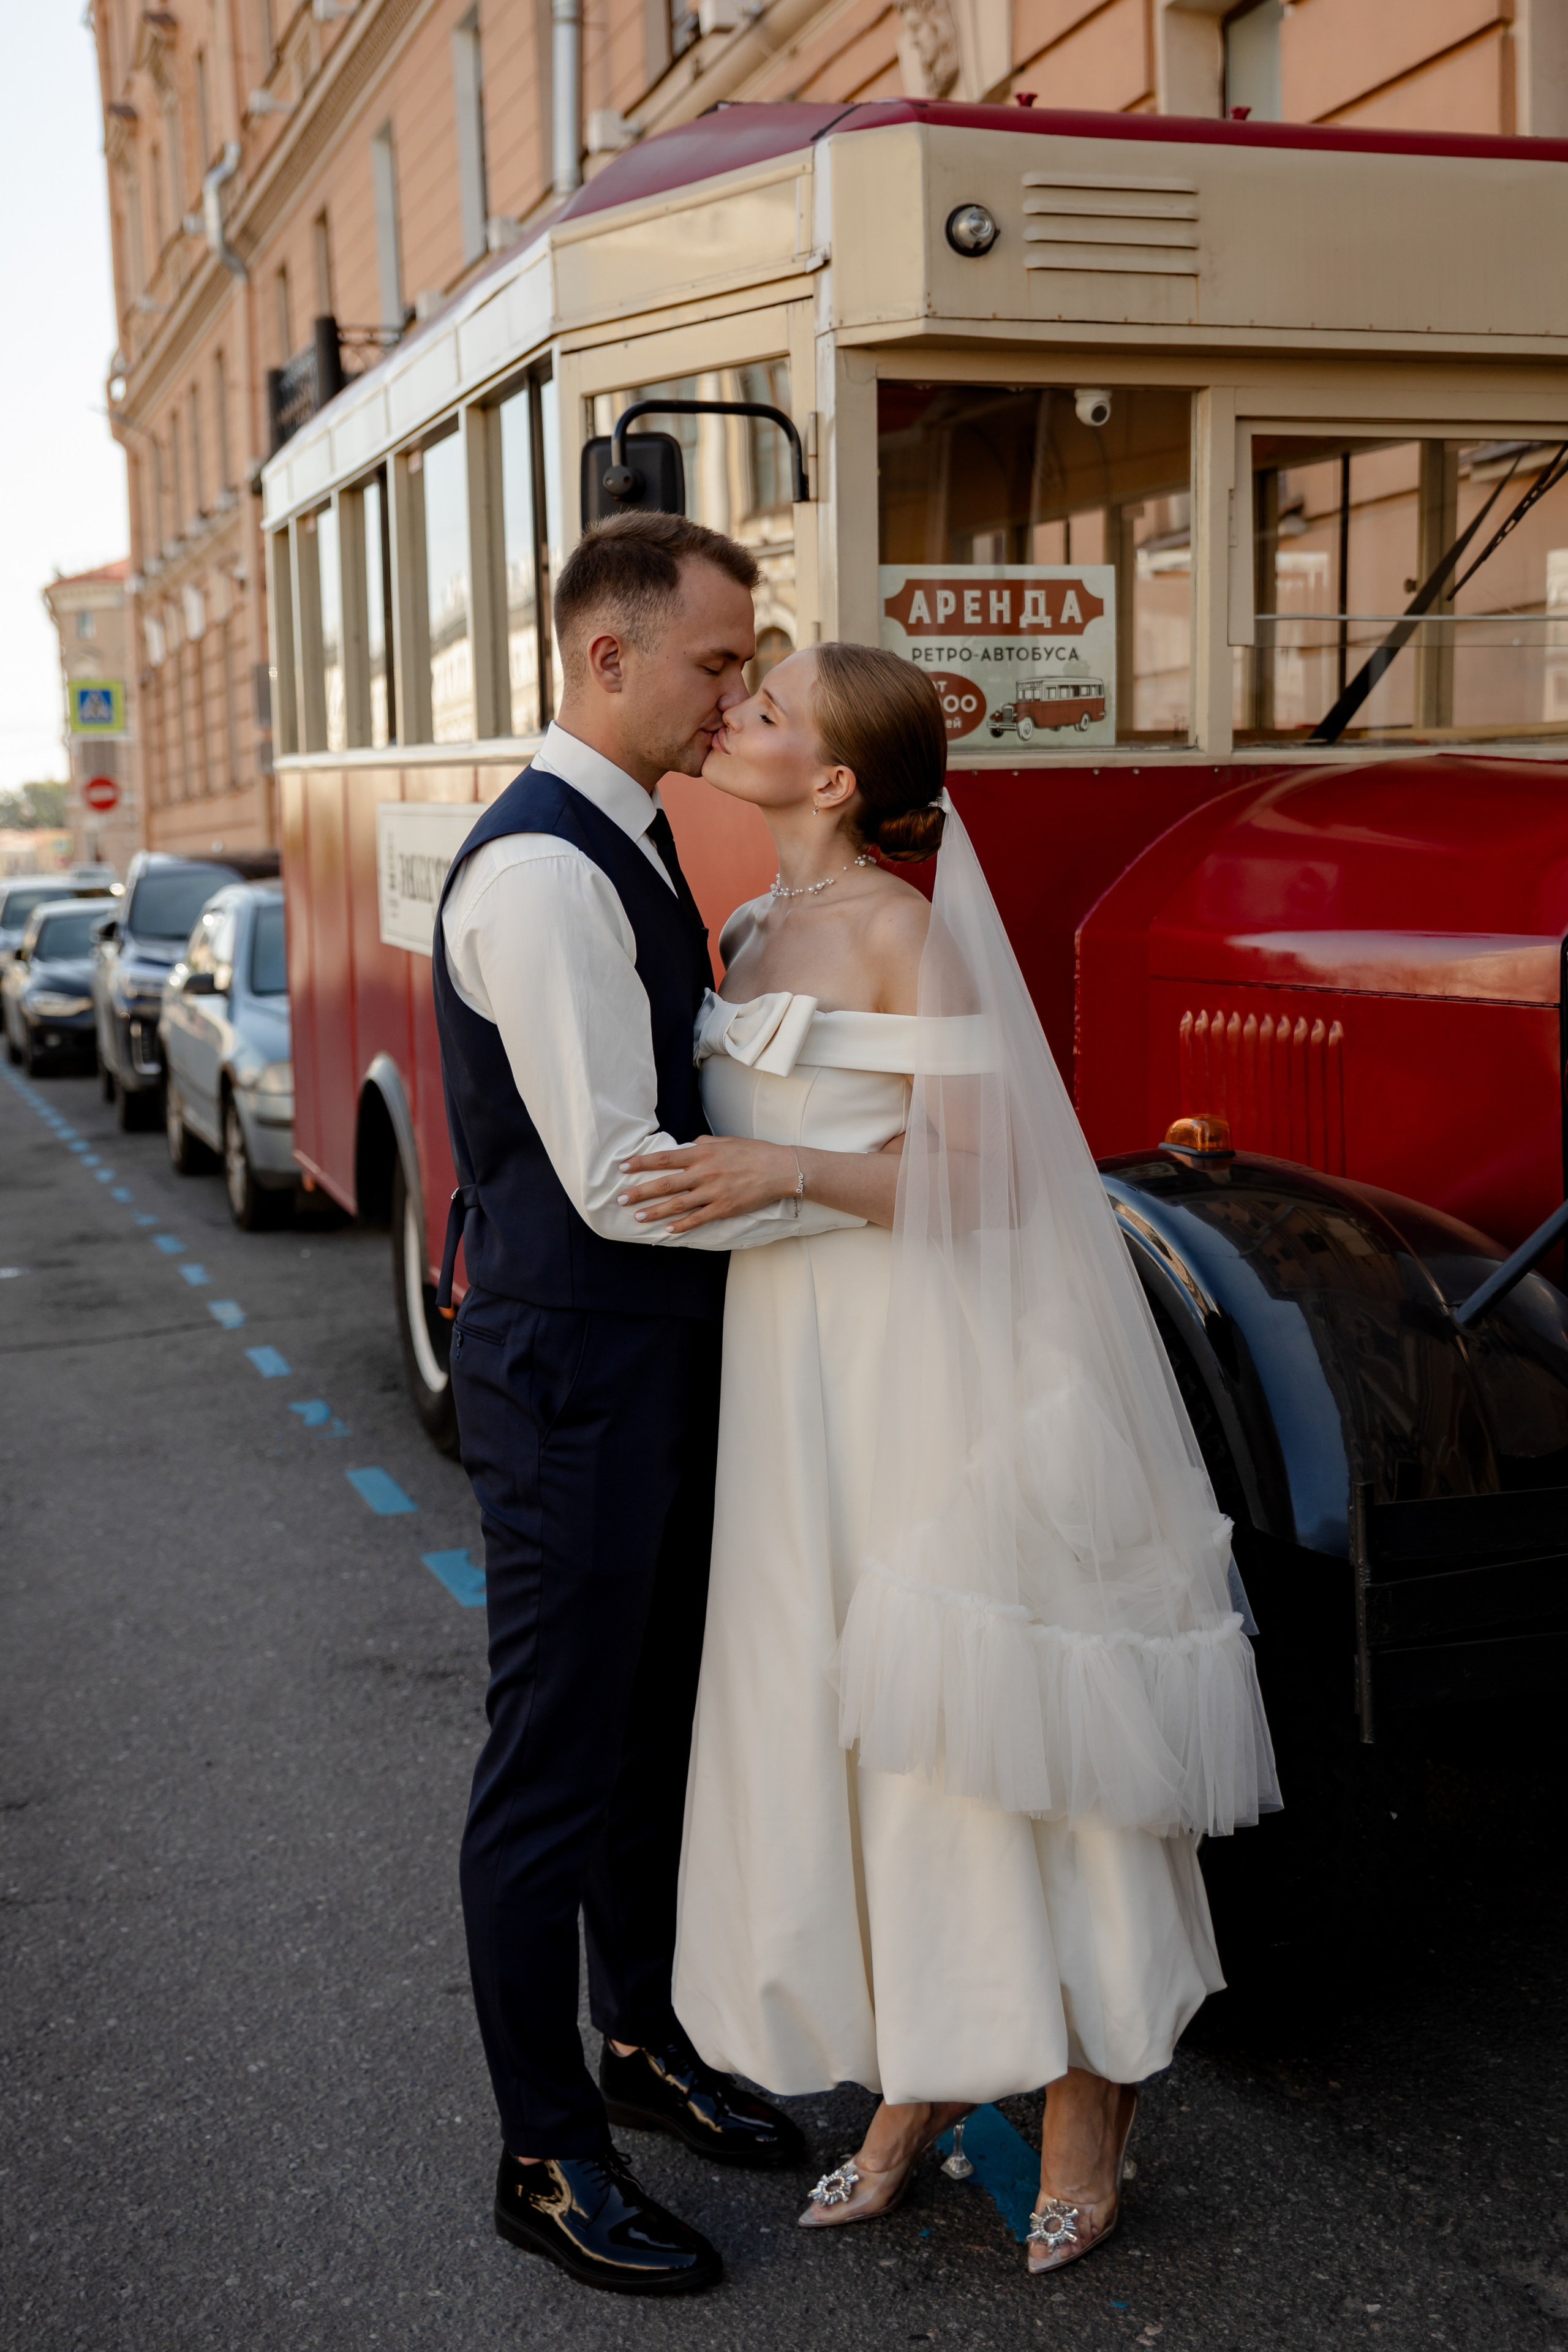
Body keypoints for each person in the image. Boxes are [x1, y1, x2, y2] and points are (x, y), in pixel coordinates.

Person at [619, 643, 1279, 2275]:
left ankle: (1083, 2092)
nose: (734, 720)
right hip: (792, 1375)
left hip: (917, 1358)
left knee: (965, 1724)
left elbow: (988, 1176)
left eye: (767, 713)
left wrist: (778, 1164)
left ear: (836, 780)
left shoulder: (907, 931)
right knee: (845, 1726)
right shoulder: (753, 928)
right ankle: (917, 2069)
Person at [433, 515, 893, 2297]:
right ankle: (544, 2157)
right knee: (551, 1764)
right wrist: (843, 1187)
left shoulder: (626, 837)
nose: (733, 695)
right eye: (716, 663)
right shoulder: (542, 870)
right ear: (607, 657)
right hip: (571, 1369)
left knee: (648, 1736)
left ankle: (638, 2044)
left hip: (652, 1356)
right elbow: (626, 1180)